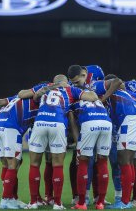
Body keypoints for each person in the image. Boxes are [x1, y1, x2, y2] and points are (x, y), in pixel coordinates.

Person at [24, 74, 99, 210]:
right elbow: (93, 97)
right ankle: (58, 203)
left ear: (53, 81)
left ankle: (33, 202)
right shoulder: (71, 89)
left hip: (40, 122)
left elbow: (22, 94)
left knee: (34, 164)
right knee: (58, 165)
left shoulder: (45, 86)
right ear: (66, 82)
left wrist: (38, 94)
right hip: (58, 123)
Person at [91, 75, 136, 209]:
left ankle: (124, 202)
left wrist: (104, 97)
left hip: (129, 120)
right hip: (132, 120)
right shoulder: (119, 95)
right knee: (128, 161)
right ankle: (126, 200)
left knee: (124, 160)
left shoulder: (98, 86)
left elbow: (117, 80)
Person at [0, 97, 39, 209]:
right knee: (13, 165)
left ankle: (12, 198)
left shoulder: (16, 98)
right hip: (9, 127)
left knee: (7, 164)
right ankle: (6, 199)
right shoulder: (34, 103)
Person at [67, 64, 105, 205]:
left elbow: (112, 82)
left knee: (95, 160)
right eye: (74, 82)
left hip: (92, 119)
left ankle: (94, 197)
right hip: (81, 122)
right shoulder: (72, 87)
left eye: (78, 80)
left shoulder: (95, 78)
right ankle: (78, 195)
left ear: (85, 74)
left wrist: (102, 99)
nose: (77, 83)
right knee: (79, 159)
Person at [68, 99, 113, 210]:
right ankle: (100, 203)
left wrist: (77, 139)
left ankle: (82, 203)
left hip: (90, 123)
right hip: (107, 123)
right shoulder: (96, 98)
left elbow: (71, 119)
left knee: (83, 161)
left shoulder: (73, 100)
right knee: (103, 162)